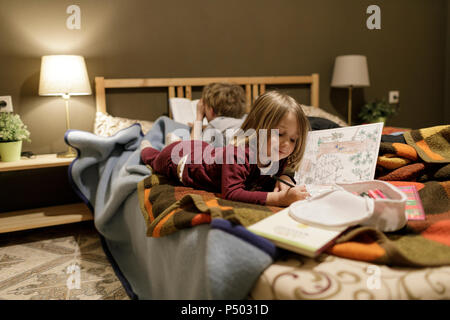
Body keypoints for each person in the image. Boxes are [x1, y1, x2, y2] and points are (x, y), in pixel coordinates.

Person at [141, 91, 310, 207]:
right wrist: (279, 198)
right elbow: (232, 193)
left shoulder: (278, 155)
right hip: (180, 160)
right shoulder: (237, 155)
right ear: (258, 128)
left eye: (294, 139)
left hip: (205, 151)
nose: (287, 144)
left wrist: (286, 177)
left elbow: (283, 172)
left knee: (197, 145)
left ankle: (177, 140)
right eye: (280, 134)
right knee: (152, 157)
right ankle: (151, 146)